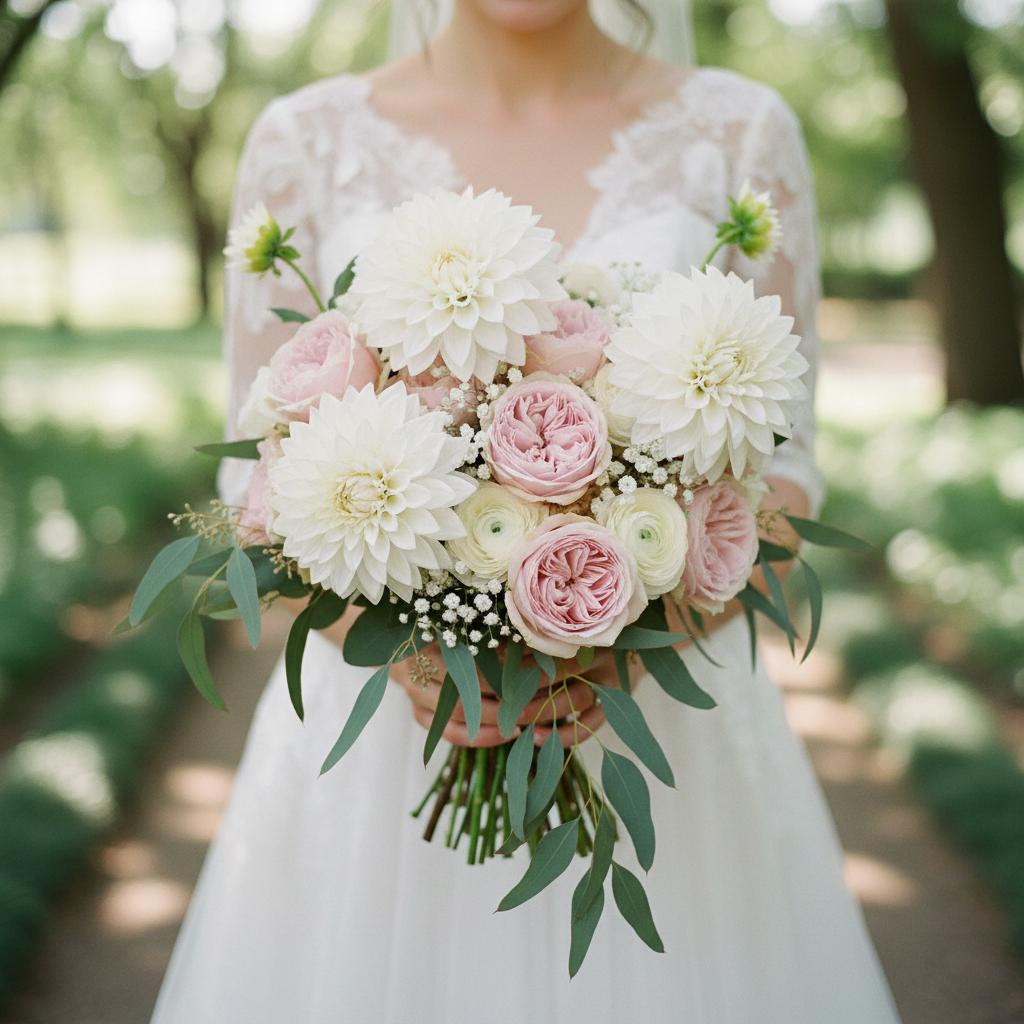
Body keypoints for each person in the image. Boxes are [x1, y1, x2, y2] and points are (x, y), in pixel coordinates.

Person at [150, 0, 904, 1020]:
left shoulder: (742, 132)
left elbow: (789, 470)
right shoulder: (302, 142)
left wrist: (619, 638)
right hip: (386, 750)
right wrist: (412, 656)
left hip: (662, 735)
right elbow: (259, 486)